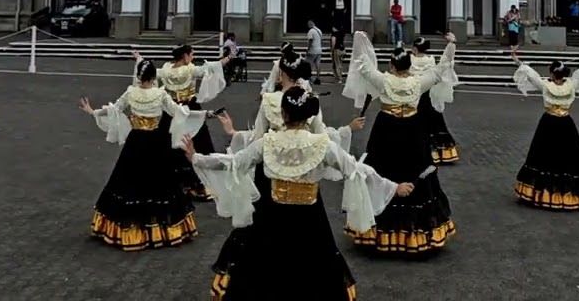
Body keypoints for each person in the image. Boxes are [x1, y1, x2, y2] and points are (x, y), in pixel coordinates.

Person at [186, 85, 413, 300]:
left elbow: (234, 163)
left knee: (265, 266)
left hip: (272, 218)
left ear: (283, 113)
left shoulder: (268, 142)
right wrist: (392, 186)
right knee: (314, 267)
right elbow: (355, 169)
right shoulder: (322, 144)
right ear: (309, 116)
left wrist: (197, 158)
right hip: (310, 219)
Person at [342, 31, 458, 255]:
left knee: (382, 168)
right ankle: (416, 231)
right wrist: (451, 45)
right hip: (413, 130)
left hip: (387, 130)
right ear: (409, 66)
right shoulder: (418, 83)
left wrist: (359, 40)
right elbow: (441, 68)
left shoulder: (384, 81)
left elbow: (363, 66)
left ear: (393, 66)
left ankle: (379, 225)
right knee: (416, 169)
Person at [77, 52, 207, 251]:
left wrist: (93, 111)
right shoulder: (160, 94)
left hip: (136, 143)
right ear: (154, 77)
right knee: (160, 183)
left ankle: (129, 230)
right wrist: (205, 114)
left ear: (139, 76)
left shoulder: (131, 93)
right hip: (156, 143)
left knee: (129, 181)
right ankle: (163, 229)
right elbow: (179, 112)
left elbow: (114, 109)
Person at [511, 54, 579, 210]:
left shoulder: (546, 86)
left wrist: (517, 60)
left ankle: (542, 193)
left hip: (549, 123)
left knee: (543, 156)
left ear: (551, 73)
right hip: (566, 124)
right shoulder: (571, 85)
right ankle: (574, 193)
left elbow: (530, 74)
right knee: (572, 156)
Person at [227, 53, 362, 154]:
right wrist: (347, 129)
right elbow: (323, 137)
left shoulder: (269, 100)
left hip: (275, 164)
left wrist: (234, 133)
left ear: (281, 72)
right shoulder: (308, 99)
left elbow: (256, 138)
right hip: (302, 165)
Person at [159, 43, 232, 200]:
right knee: (199, 143)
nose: (192, 58)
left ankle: (173, 182)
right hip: (189, 107)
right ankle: (198, 184)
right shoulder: (190, 69)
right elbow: (208, 69)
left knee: (169, 144)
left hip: (171, 111)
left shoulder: (165, 70)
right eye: (191, 55)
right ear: (185, 56)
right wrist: (226, 59)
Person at [408, 37, 460, 164]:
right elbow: (446, 61)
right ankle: (440, 152)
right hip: (428, 97)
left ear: (414, 48)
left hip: (413, 97)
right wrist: (451, 44)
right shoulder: (431, 61)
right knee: (434, 123)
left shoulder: (410, 60)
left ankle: (414, 151)